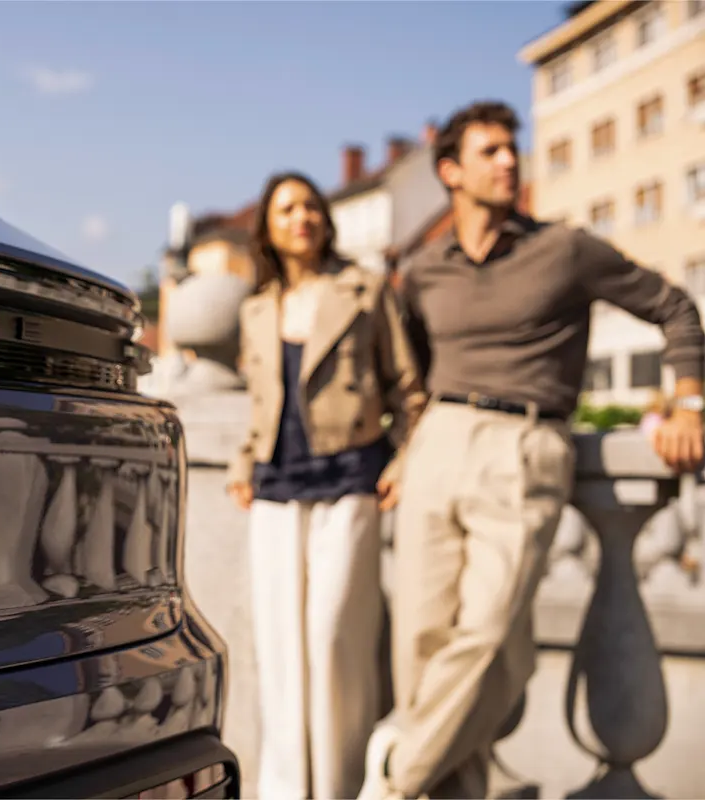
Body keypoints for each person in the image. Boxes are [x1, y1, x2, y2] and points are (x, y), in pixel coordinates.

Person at [358, 100, 705, 800]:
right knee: (422, 643)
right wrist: (404, 447)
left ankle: (392, 779)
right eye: (489, 151)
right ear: (450, 171)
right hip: (438, 443)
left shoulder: (566, 250)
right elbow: (411, 376)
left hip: (525, 442)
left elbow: (674, 307)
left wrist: (689, 403)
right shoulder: (424, 270)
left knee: (488, 637)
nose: (509, 162)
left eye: (510, 149)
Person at [226, 171, 427, 800]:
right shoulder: (257, 308)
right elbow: (261, 404)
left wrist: (403, 459)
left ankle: (341, 785)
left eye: (311, 206)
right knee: (281, 649)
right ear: (268, 228)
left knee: (336, 637)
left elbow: (408, 389)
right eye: (287, 209)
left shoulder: (365, 289)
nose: (303, 217)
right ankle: (286, 790)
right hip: (274, 489)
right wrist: (242, 462)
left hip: (350, 479)